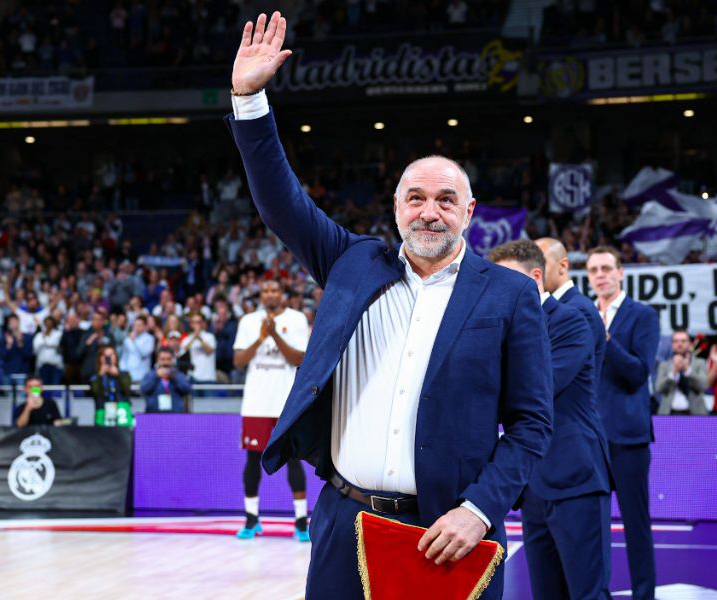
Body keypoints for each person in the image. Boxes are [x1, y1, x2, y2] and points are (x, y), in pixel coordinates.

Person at [225, 13, 553, 599]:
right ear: (396, 205)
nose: (431, 211)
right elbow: (281, 201)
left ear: (469, 212)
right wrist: (250, 101)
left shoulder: (509, 294)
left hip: (450, 532)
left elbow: (531, 424)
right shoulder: (351, 262)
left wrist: (480, 509)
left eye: (446, 200)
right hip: (343, 523)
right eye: (417, 197)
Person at [490, 241, 612, 600]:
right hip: (534, 484)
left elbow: (541, 388)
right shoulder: (507, 326)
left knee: (586, 593)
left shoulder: (572, 319)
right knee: (545, 593)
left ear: (536, 277)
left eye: (510, 280)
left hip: (575, 478)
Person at [585, 245, 659, 600]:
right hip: (590, 439)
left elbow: (638, 373)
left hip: (628, 438)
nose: (599, 275)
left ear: (620, 273)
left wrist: (606, 338)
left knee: (636, 524)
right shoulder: (582, 315)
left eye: (605, 268)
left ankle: (645, 594)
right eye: (593, 270)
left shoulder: (641, 315)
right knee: (591, 525)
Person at [233, 279, 310, 541]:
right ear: (261, 295)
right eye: (265, 290)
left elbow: (299, 359)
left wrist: (275, 334)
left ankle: (300, 521)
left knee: (293, 459)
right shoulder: (248, 321)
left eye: (274, 290)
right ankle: (251, 518)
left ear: (282, 294)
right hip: (256, 403)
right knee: (253, 460)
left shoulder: (297, 319)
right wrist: (261, 338)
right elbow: (238, 360)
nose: (270, 294)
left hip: (286, 402)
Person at [535, 237, 606, 392]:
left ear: (563, 266)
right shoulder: (562, 307)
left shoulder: (578, 310)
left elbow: (557, 378)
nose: (535, 271)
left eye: (541, 263)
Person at [656, 329, 708, 415]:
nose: (679, 344)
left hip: (695, 413)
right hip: (669, 413)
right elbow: (659, 388)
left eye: (683, 341)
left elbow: (703, 386)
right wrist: (673, 373)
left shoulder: (699, 363)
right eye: (676, 341)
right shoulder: (664, 365)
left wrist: (687, 370)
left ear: (690, 344)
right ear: (672, 345)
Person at [88, 345, 133, 427]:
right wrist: (100, 376)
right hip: (103, 412)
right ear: (100, 358)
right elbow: (96, 393)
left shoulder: (124, 374)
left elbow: (126, 390)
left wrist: (118, 375)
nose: (108, 358)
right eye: (105, 355)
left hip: (122, 411)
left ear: (116, 357)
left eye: (111, 355)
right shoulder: (95, 377)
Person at [139, 347, 192, 413]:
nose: (165, 362)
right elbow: (143, 390)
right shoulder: (150, 374)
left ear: (172, 360)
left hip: (175, 416)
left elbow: (187, 390)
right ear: (157, 360)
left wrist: (173, 376)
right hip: (154, 416)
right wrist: (156, 376)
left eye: (168, 359)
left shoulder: (178, 374)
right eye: (162, 359)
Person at [0, 314, 33, 390]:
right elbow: (2, 356)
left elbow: (28, 355)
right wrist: (9, 345)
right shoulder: (5, 338)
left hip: (22, 372)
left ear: (19, 322)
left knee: (22, 397)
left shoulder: (26, 337)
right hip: (8, 372)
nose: (13, 323)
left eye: (14, 321)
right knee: (7, 399)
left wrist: (20, 342)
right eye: (11, 321)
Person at [181, 312, 217, 383]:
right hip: (193, 376)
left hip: (208, 377)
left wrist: (200, 338)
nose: (197, 324)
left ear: (202, 323)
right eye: (195, 322)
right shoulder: (187, 338)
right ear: (191, 324)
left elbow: (209, 351)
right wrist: (194, 337)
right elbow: (182, 351)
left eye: (199, 322)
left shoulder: (210, 337)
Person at [119, 315, 156, 383]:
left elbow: (144, 353)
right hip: (129, 373)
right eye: (135, 325)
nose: (136, 327)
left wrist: (135, 341)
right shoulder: (127, 340)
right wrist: (123, 370)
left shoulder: (150, 338)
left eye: (139, 325)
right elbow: (124, 356)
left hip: (142, 374)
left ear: (145, 326)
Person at [32, 317, 64, 386]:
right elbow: (35, 350)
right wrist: (45, 341)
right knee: (41, 385)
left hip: (56, 366)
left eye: (50, 323)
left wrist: (46, 343)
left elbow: (59, 346)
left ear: (53, 324)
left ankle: (55, 397)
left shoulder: (59, 334)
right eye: (46, 323)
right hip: (42, 365)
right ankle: (37, 396)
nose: (48, 325)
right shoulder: (39, 335)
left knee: (55, 386)